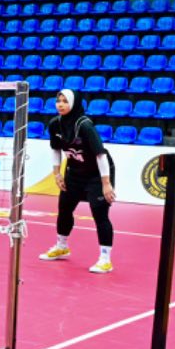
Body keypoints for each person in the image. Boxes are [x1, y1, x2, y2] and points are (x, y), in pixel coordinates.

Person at [40, 89, 118, 274]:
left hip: (97, 174)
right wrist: (57, 174)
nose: (60, 104)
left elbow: (100, 155)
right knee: (64, 208)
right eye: (58, 100)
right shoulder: (54, 124)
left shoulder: (85, 125)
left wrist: (106, 183)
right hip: (74, 172)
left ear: (74, 103)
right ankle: (61, 246)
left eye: (65, 101)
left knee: (100, 215)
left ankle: (105, 259)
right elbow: (55, 149)